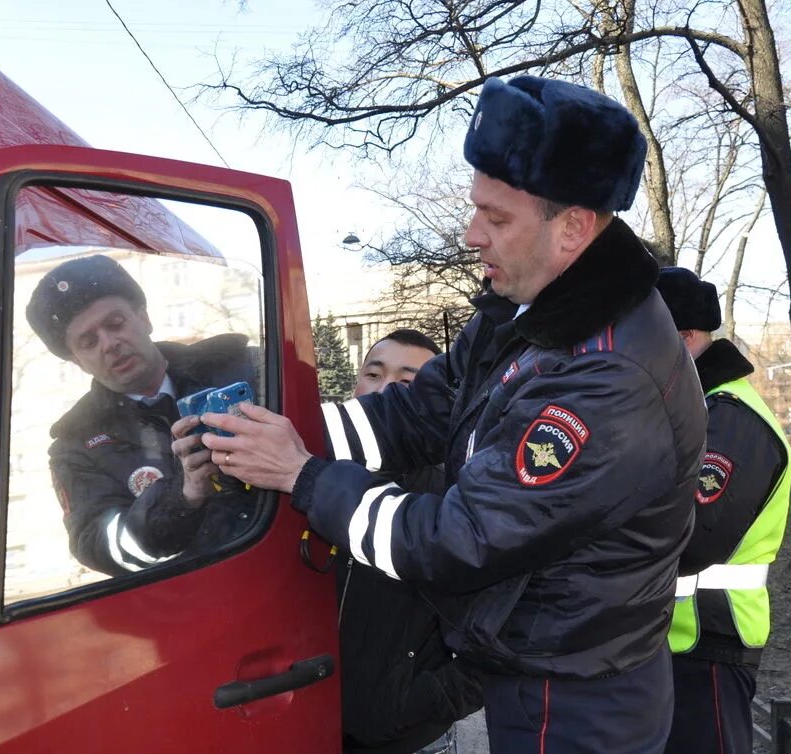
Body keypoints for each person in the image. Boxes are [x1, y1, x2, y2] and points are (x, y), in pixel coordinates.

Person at [183, 76, 707, 753]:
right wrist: (270, 425)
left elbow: (461, 541)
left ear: (573, 227)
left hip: (576, 698)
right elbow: (421, 412)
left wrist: (303, 475)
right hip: (530, 659)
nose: (471, 235)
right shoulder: (529, 309)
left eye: (497, 218)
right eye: (475, 209)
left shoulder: (607, 378)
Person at [25, 253, 256, 576]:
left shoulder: (243, 367)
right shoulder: (75, 447)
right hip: (197, 604)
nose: (110, 344)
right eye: (88, 341)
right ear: (77, 361)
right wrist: (182, 498)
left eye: (115, 323)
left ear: (143, 317)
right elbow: (98, 546)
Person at [654, 267, 791, 754]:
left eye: (648, 338)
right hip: (672, 639)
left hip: (708, 641)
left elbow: (697, 536)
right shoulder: (695, 409)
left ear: (687, 337)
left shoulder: (732, 419)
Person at [339, 329, 483, 754]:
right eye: (374, 373)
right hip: (307, 718)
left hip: (407, 735)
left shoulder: (458, 493)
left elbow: (501, 628)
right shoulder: (310, 474)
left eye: (407, 381)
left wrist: (424, 703)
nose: (384, 390)